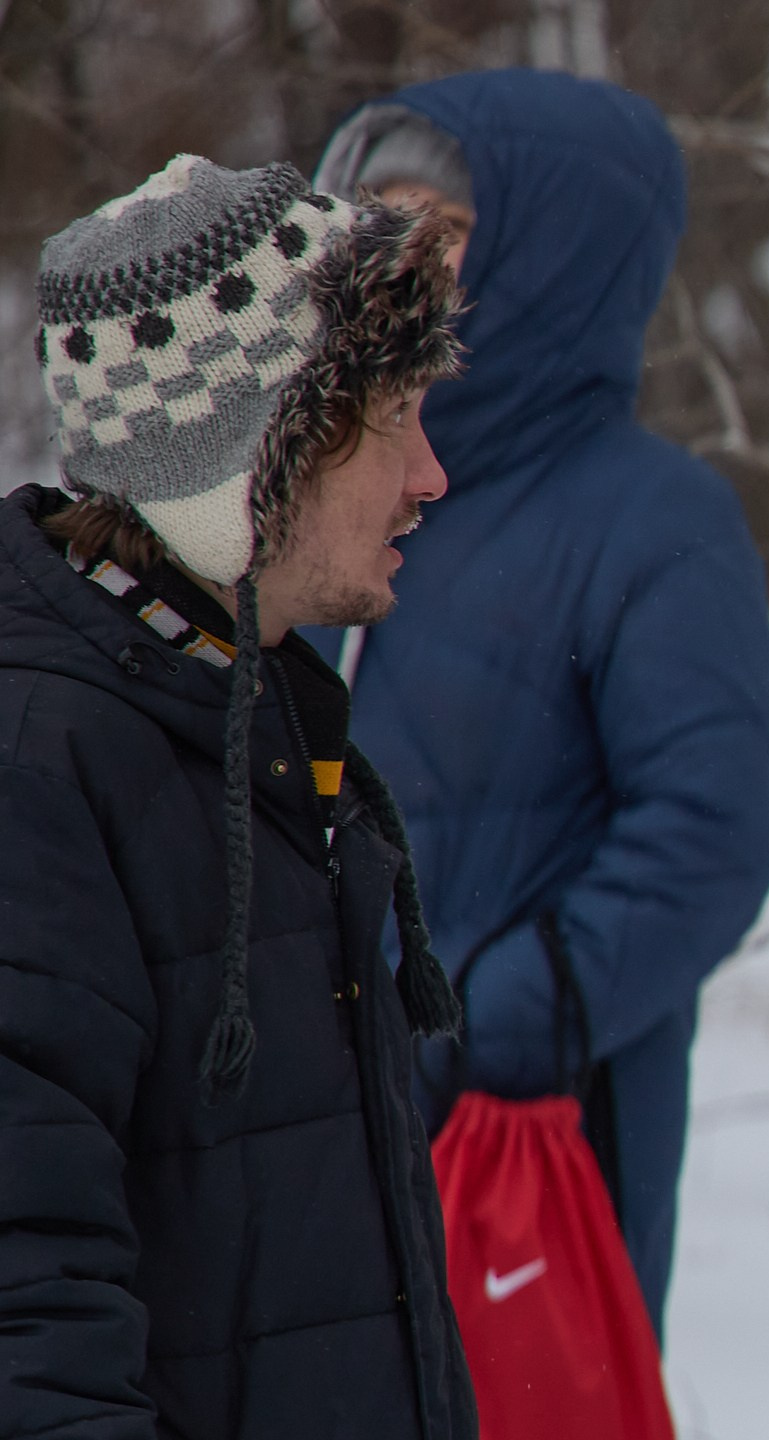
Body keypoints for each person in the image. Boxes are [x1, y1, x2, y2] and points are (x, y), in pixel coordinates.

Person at [0, 155, 475, 1436]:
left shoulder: (250, 730)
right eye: (394, 420)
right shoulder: (43, 771)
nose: (431, 476)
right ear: (254, 457)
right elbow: (28, 1317)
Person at [309, 68, 769, 1333]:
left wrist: (489, 1024)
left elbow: (711, 829)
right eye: (375, 223)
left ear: (559, 255)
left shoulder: (652, 520)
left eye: (446, 234)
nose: (398, 264)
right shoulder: (325, 495)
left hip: (533, 1141)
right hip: (318, 1121)